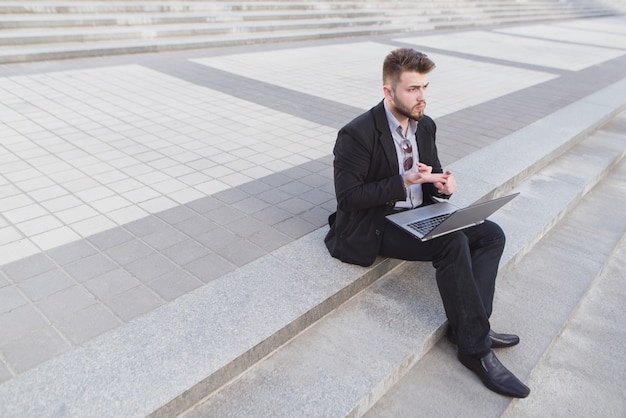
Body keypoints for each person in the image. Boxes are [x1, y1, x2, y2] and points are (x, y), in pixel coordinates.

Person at [324, 48, 530, 398]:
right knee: (452, 242)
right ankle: (474, 349)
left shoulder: (425, 124)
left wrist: (444, 185)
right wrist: (402, 181)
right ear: (388, 91)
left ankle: (469, 324)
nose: (422, 97)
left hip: (422, 212)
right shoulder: (357, 134)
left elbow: (431, 172)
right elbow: (348, 198)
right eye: (412, 89)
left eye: (425, 87)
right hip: (378, 222)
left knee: (491, 234)